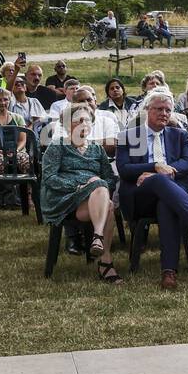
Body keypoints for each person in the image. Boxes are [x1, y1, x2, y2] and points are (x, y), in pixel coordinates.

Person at [117, 88, 188, 289]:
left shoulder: (179, 135)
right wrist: (154, 166)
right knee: (159, 182)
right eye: (159, 109)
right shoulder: (130, 136)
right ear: (147, 110)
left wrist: (168, 170)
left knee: (166, 203)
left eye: (168, 110)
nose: (164, 113)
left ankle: (169, 273)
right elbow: (124, 170)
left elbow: (187, 163)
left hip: (172, 195)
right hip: (139, 197)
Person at [39, 101, 123, 284]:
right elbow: (49, 178)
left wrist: (94, 186)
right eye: (78, 121)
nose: (83, 124)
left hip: (91, 201)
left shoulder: (97, 149)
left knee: (104, 195)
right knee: (106, 202)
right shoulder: (58, 146)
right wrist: (79, 185)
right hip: (64, 199)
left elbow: (109, 179)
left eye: (87, 120)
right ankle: (104, 259)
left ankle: (99, 244)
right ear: (67, 125)